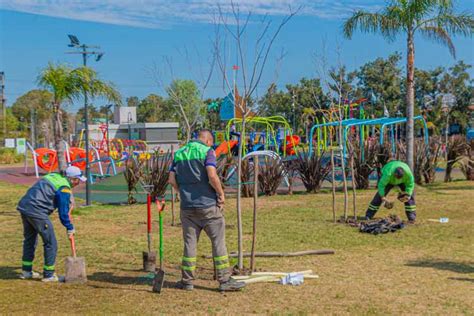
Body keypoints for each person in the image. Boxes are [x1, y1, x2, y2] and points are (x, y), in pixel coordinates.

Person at [169, 129, 245, 292]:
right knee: (218, 242)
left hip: (187, 208)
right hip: (208, 206)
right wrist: (221, 193)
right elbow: (212, 175)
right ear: (209, 141)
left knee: (190, 244)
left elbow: (171, 179)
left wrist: (182, 192)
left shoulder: (179, 153)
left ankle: (187, 281)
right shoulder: (208, 151)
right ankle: (224, 280)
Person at [17, 166, 87, 282]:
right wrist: (69, 227)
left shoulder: (53, 176)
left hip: (25, 207)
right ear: (72, 179)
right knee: (51, 242)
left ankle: (26, 271)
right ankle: (49, 275)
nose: (78, 183)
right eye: (78, 180)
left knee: (30, 240)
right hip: (37, 211)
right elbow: (63, 213)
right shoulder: (64, 188)